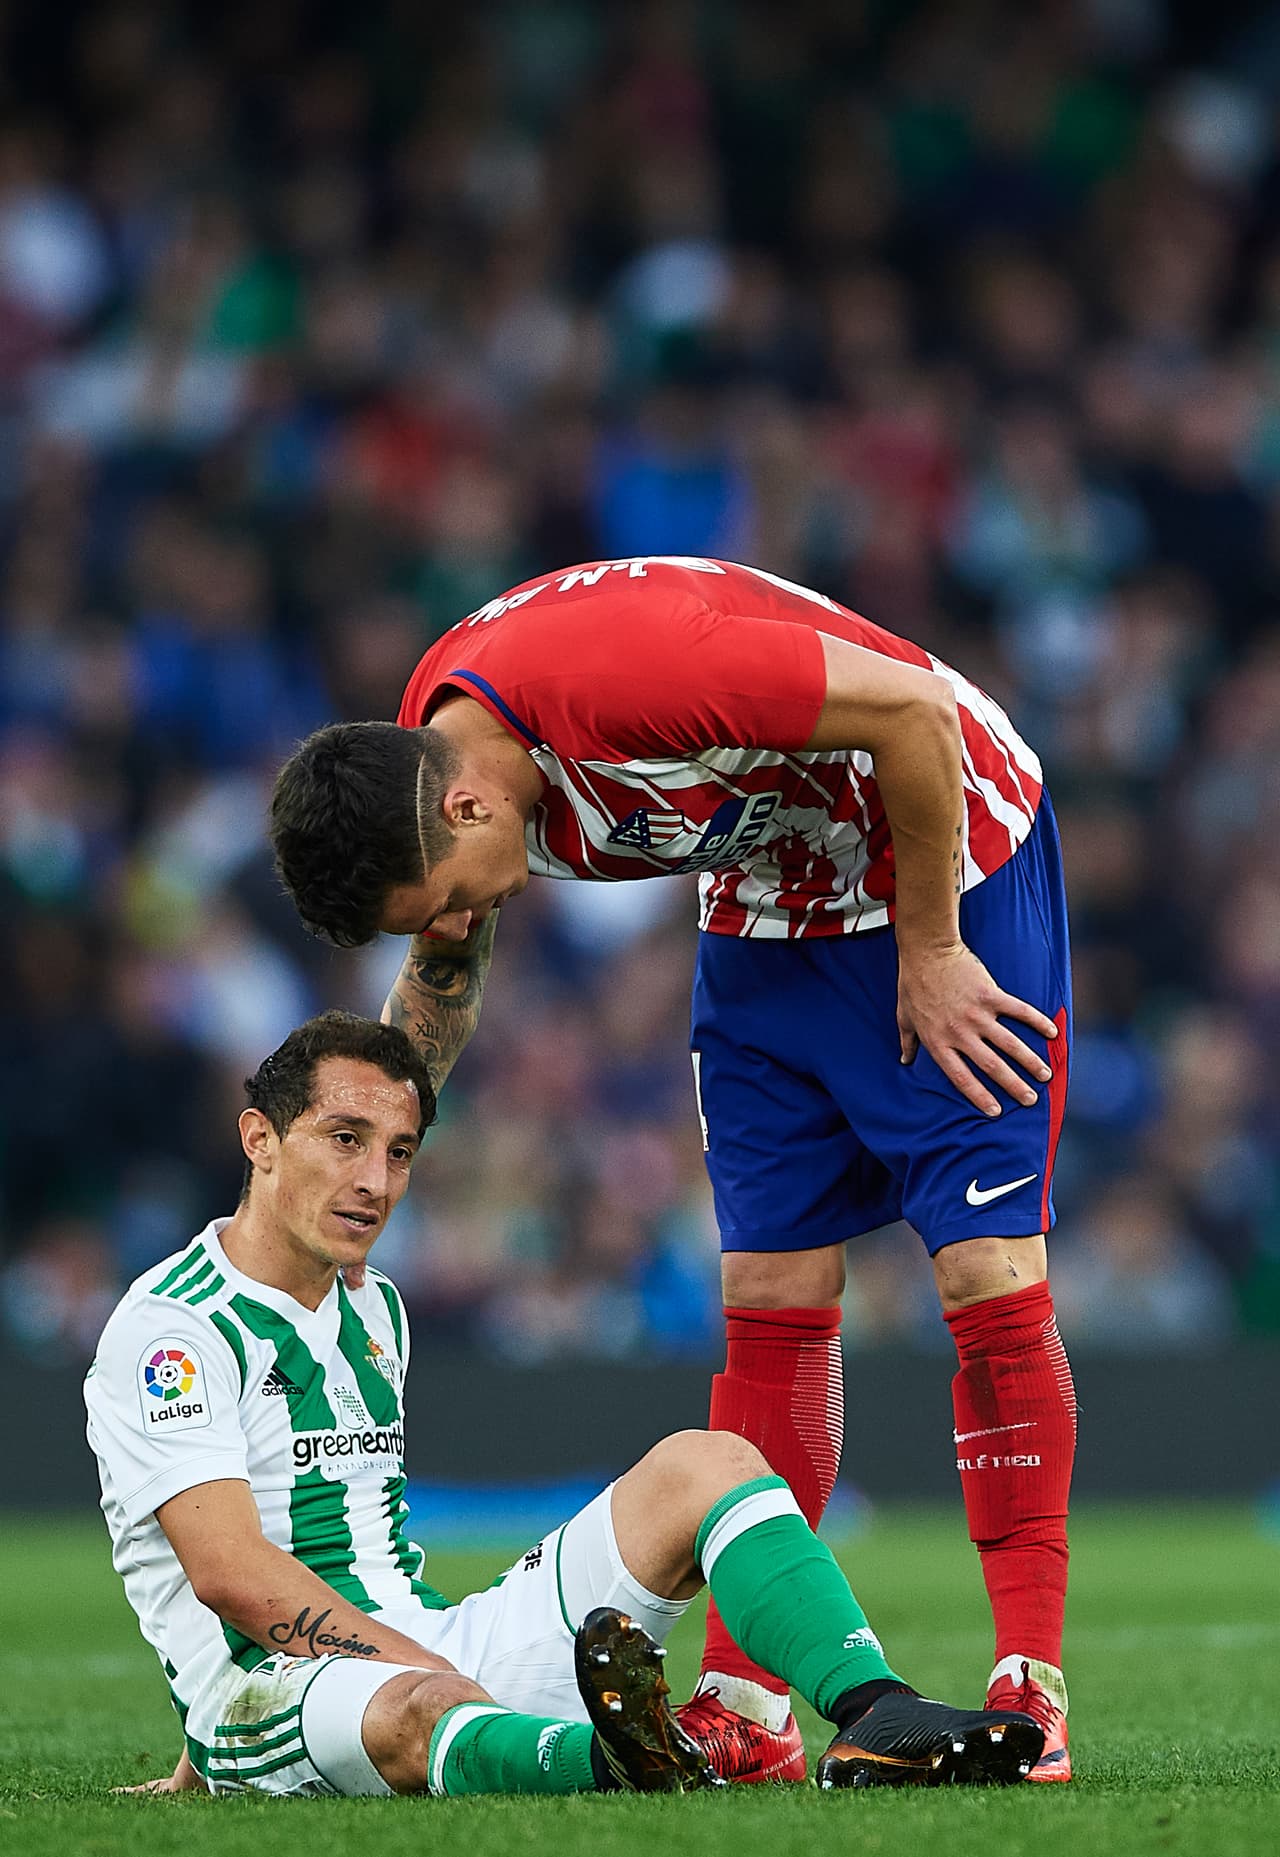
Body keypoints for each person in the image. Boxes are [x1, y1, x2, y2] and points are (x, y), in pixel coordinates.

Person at [270, 554, 1076, 1785]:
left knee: (981, 1274)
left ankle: (1032, 1683)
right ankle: (745, 1708)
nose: (448, 924)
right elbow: (441, 981)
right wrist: (370, 1158)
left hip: (948, 866)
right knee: (767, 1302)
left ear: (468, 814)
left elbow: (913, 712)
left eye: (434, 901)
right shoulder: (435, 764)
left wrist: (928, 946)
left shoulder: (629, 676)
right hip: (764, 907)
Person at [84, 1010, 1043, 1799]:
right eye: (345, 1140)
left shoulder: (372, 1305)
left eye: (400, 1150)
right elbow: (226, 1575)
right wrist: (221, 1742)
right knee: (417, 1708)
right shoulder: (173, 1330)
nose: (375, 1181)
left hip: (434, 1643)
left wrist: (438, 1657)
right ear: (259, 1138)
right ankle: (624, 1757)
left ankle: (876, 1713)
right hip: (279, 1694)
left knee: (707, 1463)